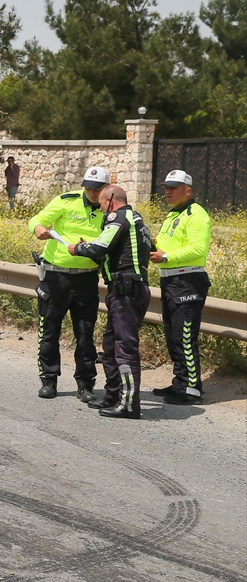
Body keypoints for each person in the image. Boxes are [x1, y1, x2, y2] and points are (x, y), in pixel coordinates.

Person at [27, 165, 111, 401]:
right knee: (49, 330)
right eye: (89, 188)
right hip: (56, 275)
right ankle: (49, 380)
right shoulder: (66, 201)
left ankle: (85, 384)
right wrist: (39, 229)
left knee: (85, 333)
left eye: (98, 189)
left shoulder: (111, 209)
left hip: (87, 278)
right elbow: (36, 219)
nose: (93, 193)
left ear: (106, 189)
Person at [70, 185, 153, 419]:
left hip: (127, 291)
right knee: (109, 347)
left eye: (103, 205)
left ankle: (128, 404)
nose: (102, 211)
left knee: (124, 350)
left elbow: (101, 246)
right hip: (126, 290)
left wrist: (77, 248)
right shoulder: (138, 221)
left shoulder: (119, 216)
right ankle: (113, 395)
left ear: (111, 201)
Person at [148, 170, 212, 405]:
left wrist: (167, 257)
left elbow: (198, 250)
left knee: (185, 336)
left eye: (174, 188)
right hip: (170, 280)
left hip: (188, 281)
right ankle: (179, 383)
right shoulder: (174, 214)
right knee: (173, 335)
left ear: (188, 190)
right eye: (166, 187)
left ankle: (192, 389)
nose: (168, 191)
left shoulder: (197, 215)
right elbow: (167, 244)